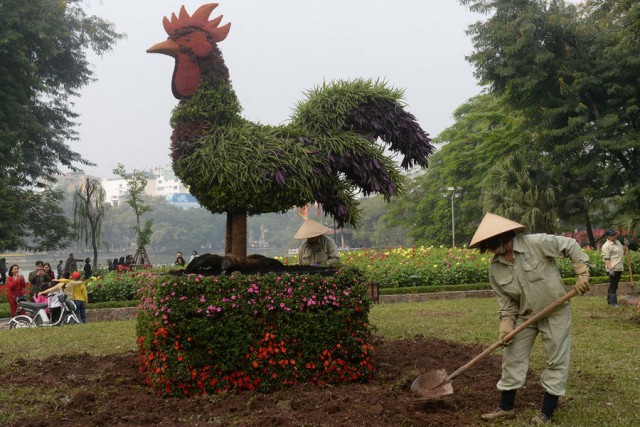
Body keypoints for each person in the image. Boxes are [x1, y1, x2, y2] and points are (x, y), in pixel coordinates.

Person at [469, 213, 590, 424]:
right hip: (525, 316)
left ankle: (547, 413)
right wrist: (505, 327)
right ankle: (506, 408)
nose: (488, 250)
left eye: (488, 244)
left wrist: (582, 272)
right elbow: (506, 303)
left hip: (555, 311)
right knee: (512, 356)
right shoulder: (495, 269)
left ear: (500, 237)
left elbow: (570, 245)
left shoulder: (536, 243)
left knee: (555, 359)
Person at [601, 228, 625, 307]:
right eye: (612, 235)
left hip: (619, 267)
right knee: (613, 286)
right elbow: (606, 258)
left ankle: (609, 301)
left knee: (614, 285)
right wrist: (610, 269)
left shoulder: (617, 242)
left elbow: (622, 251)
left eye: (614, 234)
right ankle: (614, 303)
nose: (614, 236)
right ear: (607, 237)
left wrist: (625, 245)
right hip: (613, 268)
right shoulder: (606, 246)